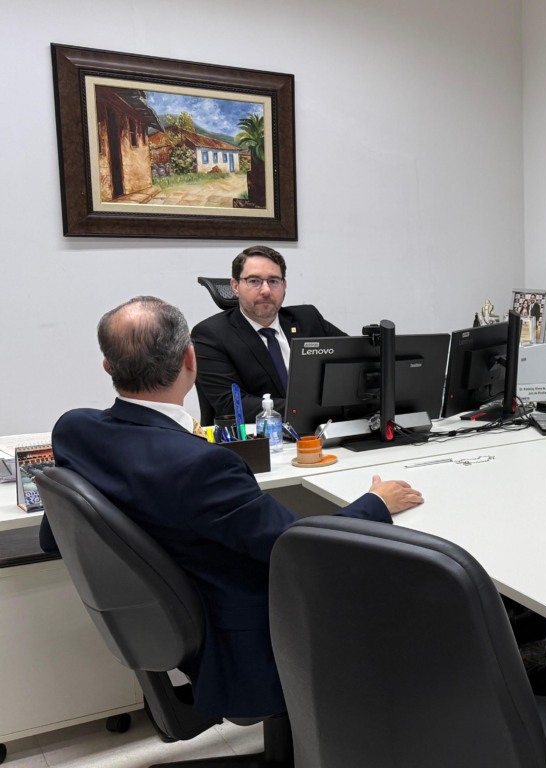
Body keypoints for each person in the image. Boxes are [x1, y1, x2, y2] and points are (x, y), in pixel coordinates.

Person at [39, 296, 423, 719]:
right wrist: (376, 503)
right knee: (403, 579)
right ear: (190, 359)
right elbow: (300, 547)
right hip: (245, 639)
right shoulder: (201, 464)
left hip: (172, 619)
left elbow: (51, 538)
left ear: (107, 367)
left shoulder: (74, 429)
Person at [191, 245, 345, 421]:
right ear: (235, 286)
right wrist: (310, 408)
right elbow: (231, 404)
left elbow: (356, 359)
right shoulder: (211, 335)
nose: (266, 290)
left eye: (273, 281)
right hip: (260, 434)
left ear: (284, 285)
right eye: (254, 281)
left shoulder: (308, 319)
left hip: (324, 429)